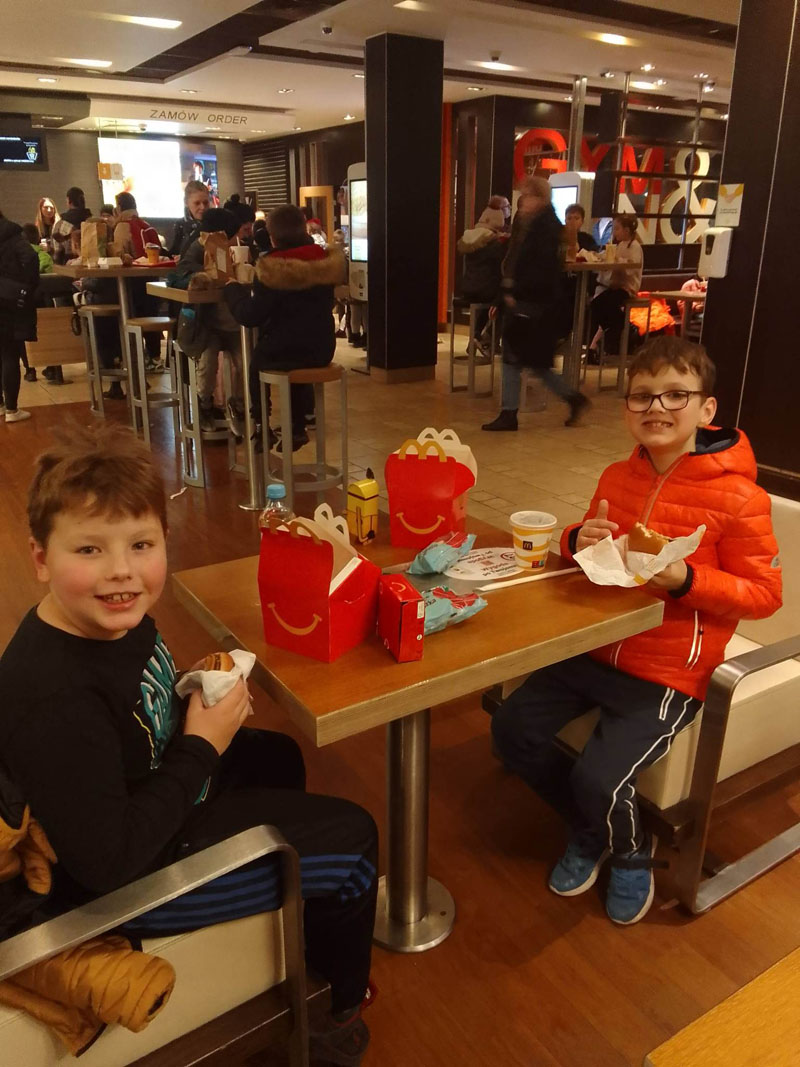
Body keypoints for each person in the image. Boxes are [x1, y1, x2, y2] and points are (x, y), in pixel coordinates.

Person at [0, 423, 376, 1065]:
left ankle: (284, 925)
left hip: (157, 795)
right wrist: (201, 746)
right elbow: (108, 865)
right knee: (356, 843)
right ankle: (334, 1015)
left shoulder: (109, 618)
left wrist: (190, 698)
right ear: (40, 558)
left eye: (140, 544)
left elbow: (132, 717)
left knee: (280, 756)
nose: (122, 570)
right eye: (89, 549)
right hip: (126, 884)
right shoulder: (51, 695)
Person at [491, 336, 782, 925]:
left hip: (669, 670)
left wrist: (685, 580)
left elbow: (764, 595)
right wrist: (577, 538)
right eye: (642, 395)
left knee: (600, 778)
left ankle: (629, 852)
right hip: (593, 646)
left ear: (706, 408)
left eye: (676, 394)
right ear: (627, 409)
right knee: (511, 729)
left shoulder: (740, 498)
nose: (656, 407)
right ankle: (590, 829)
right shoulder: (616, 476)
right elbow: (590, 552)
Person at [225, 204, 345, 452]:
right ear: (303, 229)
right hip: (323, 348)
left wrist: (233, 291)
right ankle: (297, 427)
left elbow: (251, 315)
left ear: (272, 236)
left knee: (258, 362)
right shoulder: (324, 259)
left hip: (283, 348)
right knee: (295, 361)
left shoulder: (272, 267)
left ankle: (261, 426)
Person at [482, 179, 589, 432]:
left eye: (528, 196)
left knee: (514, 358)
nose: (524, 202)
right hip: (533, 304)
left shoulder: (545, 229)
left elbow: (539, 271)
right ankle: (573, 398)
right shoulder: (537, 224)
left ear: (540, 198)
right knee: (535, 363)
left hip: (532, 305)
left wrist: (513, 295)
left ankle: (509, 413)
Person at [171, 207, 247, 435]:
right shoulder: (196, 249)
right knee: (207, 362)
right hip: (206, 326)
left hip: (233, 322)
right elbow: (177, 275)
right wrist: (206, 274)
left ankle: (239, 404)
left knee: (246, 361)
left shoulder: (239, 250)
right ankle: (204, 403)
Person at [112, 192, 164, 370]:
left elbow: (119, 254)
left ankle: (135, 359)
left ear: (119, 208)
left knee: (133, 316)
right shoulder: (145, 225)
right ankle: (155, 357)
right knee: (151, 315)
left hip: (133, 282)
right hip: (151, 279)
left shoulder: (122, 227)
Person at [588, 213, 643, 363]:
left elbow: (631, 268)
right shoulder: (620, 245)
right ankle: (614, 326)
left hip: (627, 288)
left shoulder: (634, 246)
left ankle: (618, 326)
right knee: (596, 304)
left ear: (626, 230)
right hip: (615, 286)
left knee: (606, 303)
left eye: (617, 229)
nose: (614, 232)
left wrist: (617, 261)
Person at [0, 208, 39, 423]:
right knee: (9, 353)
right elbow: (31, 257)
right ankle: (12, 410)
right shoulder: (11, 233)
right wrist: (26, 285)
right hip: (8, 300)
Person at [457, 199, 509, 358]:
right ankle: (489, 340)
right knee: (504, 301)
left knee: (487, 302)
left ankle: (475, 337)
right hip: (486, 289)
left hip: (468, 288)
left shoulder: (471, 238)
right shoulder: (494, 243)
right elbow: (502, 267)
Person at [168, 180, 210, 259]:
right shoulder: (180, 225)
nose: (202, 207)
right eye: (197, 203)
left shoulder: (216, 224)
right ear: (186, 202)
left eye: (205, 203)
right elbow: (173, 253)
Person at [50, 187, 91, 265]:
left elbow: (56, 250)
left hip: (68, 264)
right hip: (92, 262)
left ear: (69, 201)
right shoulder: (91, 221)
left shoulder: (61, 224)